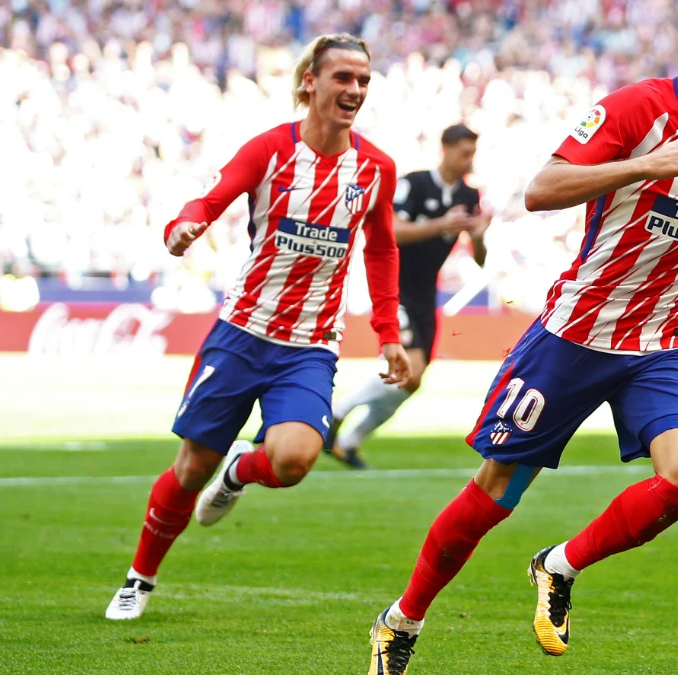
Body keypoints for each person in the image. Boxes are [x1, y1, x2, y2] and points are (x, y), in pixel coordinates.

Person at [366, 1, 678, 670]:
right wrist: (647, 165)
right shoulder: (638, 110)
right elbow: (542, 188)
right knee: (496, 490)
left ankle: (559, 564)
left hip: (661, 342)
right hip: (577, 334)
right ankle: (401, 619)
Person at [105, 33, 410, 621]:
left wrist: (388, 332)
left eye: (364, 81)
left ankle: (241, 470)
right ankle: (139, 579)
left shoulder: (375, 168)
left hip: (310, 345)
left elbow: (382, 250)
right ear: (310, 83)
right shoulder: (270, 150)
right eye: (343, 78)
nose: (354, 90)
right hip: (243, 332)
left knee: (294, 460)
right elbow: (209, 200)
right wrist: (181, 226)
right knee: (191, 466)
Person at [324, 123, 490, 469]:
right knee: (409, 372)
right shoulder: (414, 184)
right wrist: (441, 224)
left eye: (472, 153)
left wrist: (477, 236)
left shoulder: (468, 196)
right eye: (464, 152)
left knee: (411, 382)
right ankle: (335, 415)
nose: (468, 160)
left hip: (426, 294)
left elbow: (479, 260)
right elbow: (393, 232)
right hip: (393, 288)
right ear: (445, 149)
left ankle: (348, 443)